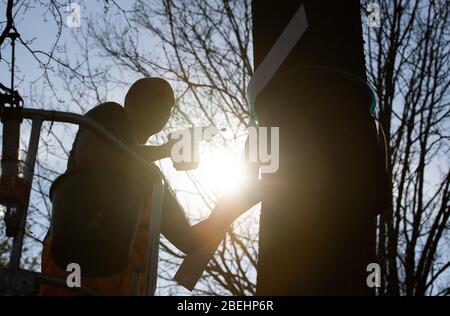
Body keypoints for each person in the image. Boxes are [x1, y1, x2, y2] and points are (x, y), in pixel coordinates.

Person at [40, 77, 260, 295]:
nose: (166, 110)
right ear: (132, 99)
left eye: (170, 108)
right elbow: (91, 155)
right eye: (159, 98)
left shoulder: (153, 180)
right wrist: (165, 150)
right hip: (76, 261)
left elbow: (190, 241)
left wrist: (240, 199)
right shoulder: (111, 114)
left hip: (127, 283)